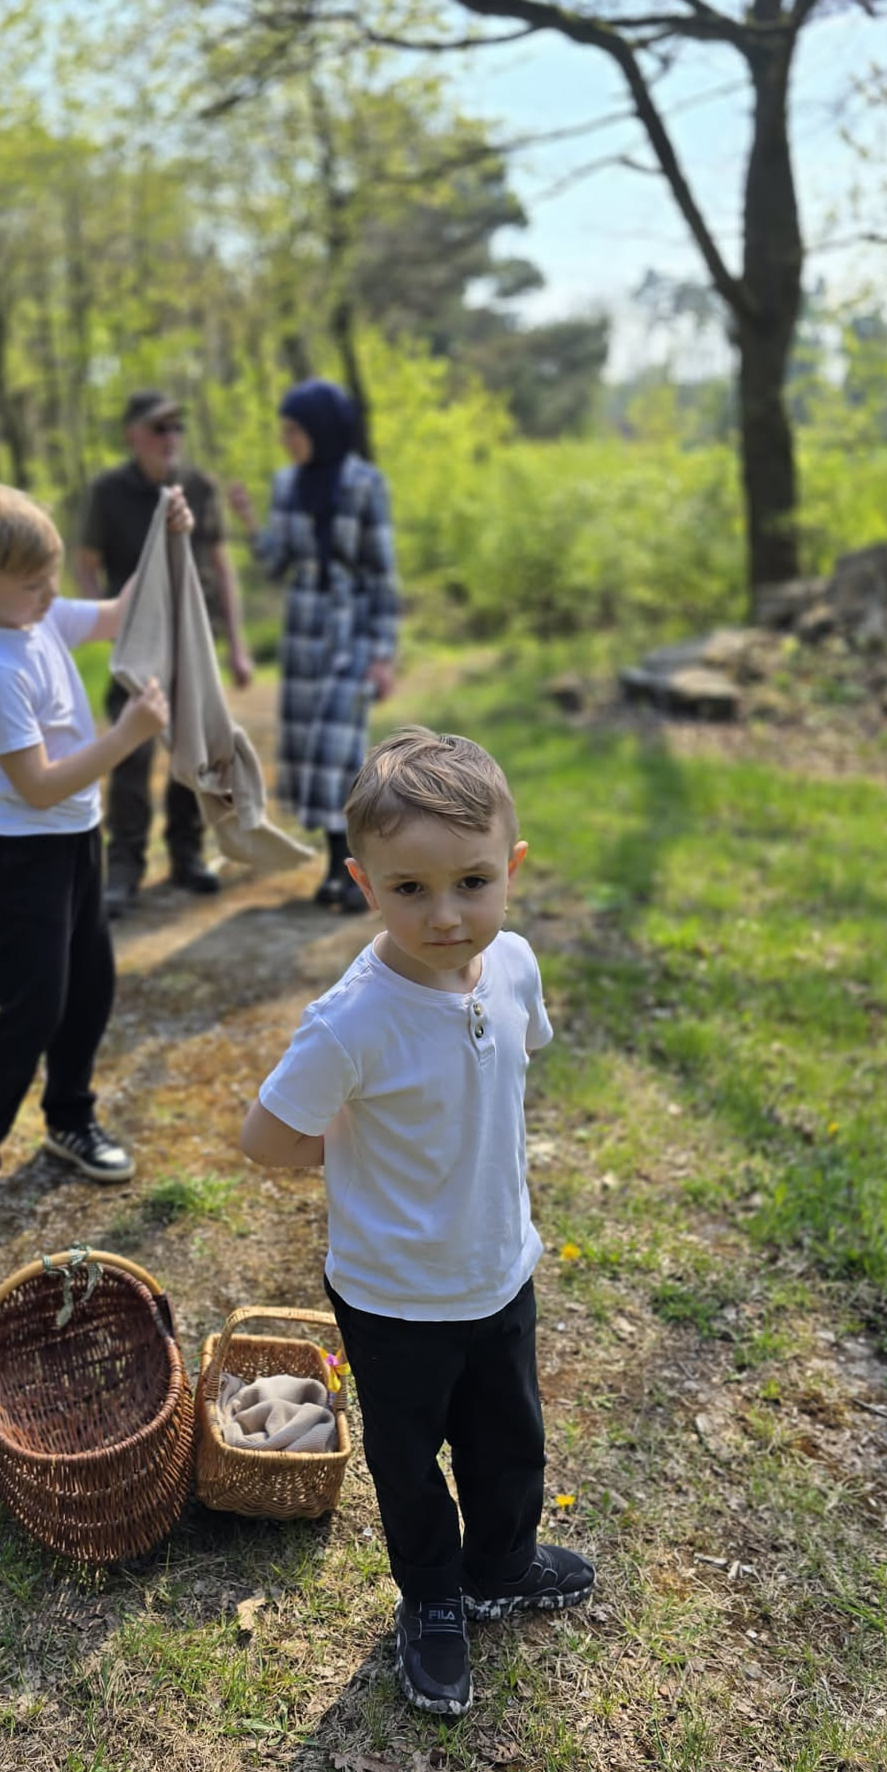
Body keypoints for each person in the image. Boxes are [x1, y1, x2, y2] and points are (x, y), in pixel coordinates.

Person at [239, 727, 595, 1717]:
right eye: (409, 889)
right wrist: (354, 1151)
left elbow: (507, 1065)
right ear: (364, 883)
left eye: (472, 883)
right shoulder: (351, 1021)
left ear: (512, 869)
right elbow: (267, 1137)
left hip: (499, 1269)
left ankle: (503, 1563)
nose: (445, 915)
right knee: (408, 1463)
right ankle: (434, 1597)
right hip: (392, 1296)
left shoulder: (513, 965)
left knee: (509, 1441)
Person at [0, 480, 193, 1255]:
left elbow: (116, 614)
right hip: (20, 856)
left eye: (51, 579)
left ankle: (69, 1119)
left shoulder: (35, 616)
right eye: (33, 585)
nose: (50, 596)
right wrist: (127, 734)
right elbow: (39, 785)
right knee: (33, 1008)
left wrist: (165, 538)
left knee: (91, 988)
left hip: (78, 842)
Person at [77, 390, 253, 918]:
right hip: (138, 642)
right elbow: (86, 563)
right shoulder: (108, 491)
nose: (170, 437)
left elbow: (220, 565)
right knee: (131, 753)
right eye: (158, 427)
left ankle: (186, 855)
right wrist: (104, 622)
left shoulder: (199, 487)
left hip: (194, 639)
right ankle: (124, 866)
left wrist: (238, 645)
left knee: (192, 750)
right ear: (132, 434)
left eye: (177, 426)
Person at [227, 378, 400, 912]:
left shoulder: (365, 483)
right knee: (311, 756)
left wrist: (384, 654)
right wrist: (251, 523)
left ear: (321, 429)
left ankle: (358, 873)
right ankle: (333, 868)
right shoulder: (287, 484)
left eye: (294, 430)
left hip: (351, 630)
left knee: (341, 753)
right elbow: (278, 562)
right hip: (303, 634)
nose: (287, 440)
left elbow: (382, 571)